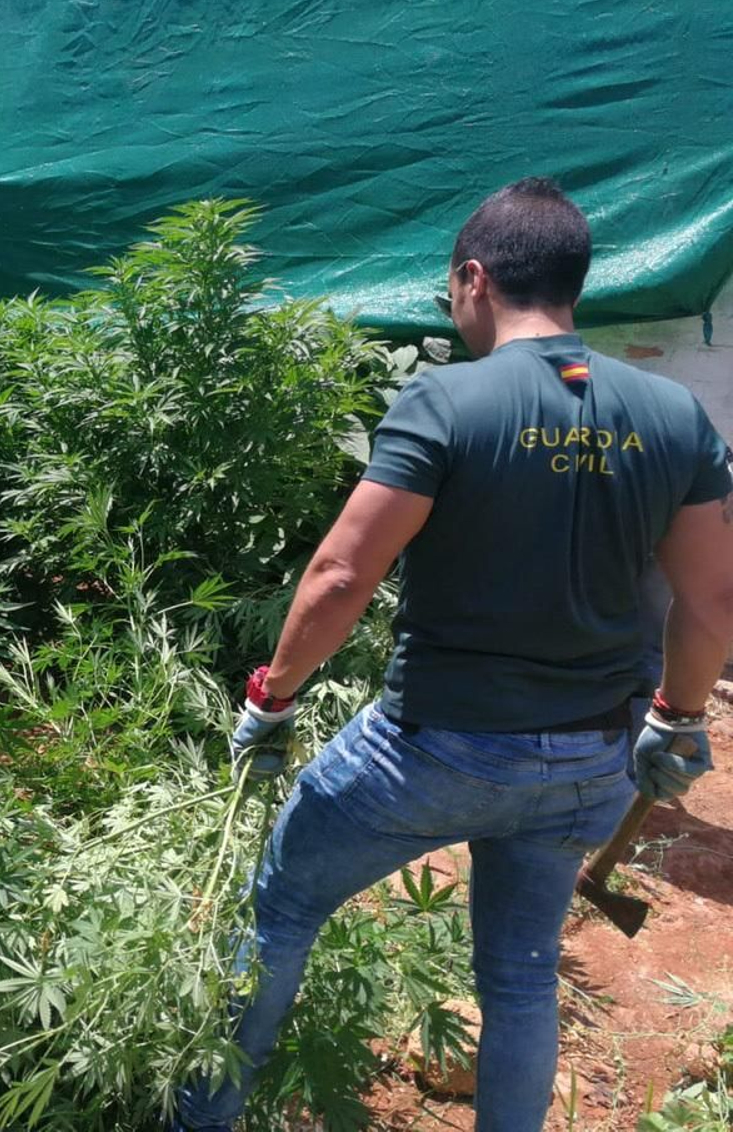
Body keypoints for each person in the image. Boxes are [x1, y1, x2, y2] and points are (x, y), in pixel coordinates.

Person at [173, 178, 733, 1132]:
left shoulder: (446, 399)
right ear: (572, 284)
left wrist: (272, 698)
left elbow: (342, 574)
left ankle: (201, 1117)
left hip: (433, 753)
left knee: (281, 906)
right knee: (518, 974)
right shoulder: (673, 416)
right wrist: (676, 719)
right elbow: (713, 598)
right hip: (591, 761)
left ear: (474, 278)